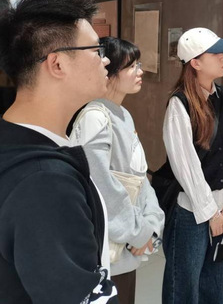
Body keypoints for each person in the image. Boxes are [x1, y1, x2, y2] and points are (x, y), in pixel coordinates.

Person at [0, 0, 118, 303]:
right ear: (57, 63)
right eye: (96, 50)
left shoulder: (16, 142)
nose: (106, 59)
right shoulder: (44, 183)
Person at [70, 37, 165, 304]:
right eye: (132, 66)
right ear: (109, 72)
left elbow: (140, 179)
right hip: (108, 255)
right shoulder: (95, 117)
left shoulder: (123, 114)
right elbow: (103, 190)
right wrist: (139, 232)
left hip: (127, 249)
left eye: (139, 65)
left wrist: (152, 224)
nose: (140, 71)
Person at [161, 27, 223, 304]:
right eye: (215, 52)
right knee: (183, 290)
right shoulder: (180, 104)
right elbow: (186, 168)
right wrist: (211, 213)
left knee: (215, 288)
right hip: (192, 211)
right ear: (195, 63)